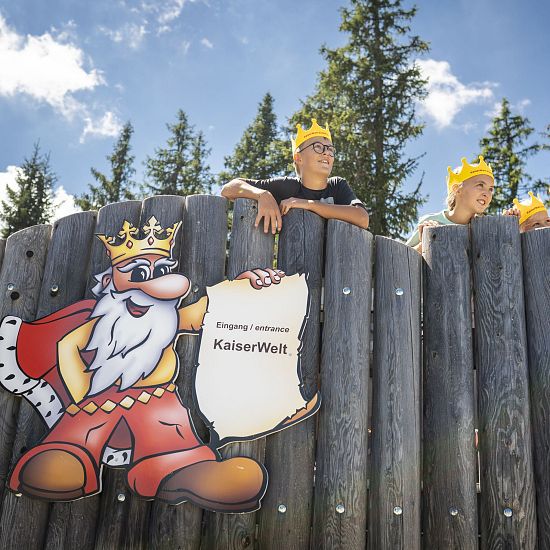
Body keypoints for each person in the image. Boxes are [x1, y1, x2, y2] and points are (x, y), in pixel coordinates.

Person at [0, 216, 316, 512]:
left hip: (158, 405)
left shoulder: (165, 316)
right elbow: (67, 348)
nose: (155, 284)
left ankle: (184, 473)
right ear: (112, 280)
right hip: (97, 404)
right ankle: (68, 458)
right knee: (77, 438)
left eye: (160, 271)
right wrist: (82, 395)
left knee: (173, 443)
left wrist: (242, 290)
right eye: (139, 273)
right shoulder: (101, 320)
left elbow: (205, 313)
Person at [221, 118, 370, 233]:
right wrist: (262, 195)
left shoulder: (337, 186)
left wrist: (308, 204)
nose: (326, 152)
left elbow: (362, 218)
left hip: (337, 266)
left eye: (330, 149)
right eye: (318, 147)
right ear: (298, 158)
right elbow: (229, 188)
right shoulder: (288, 186)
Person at [406, 156, 495, 253]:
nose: (487, 193)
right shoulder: (430, 222)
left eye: (490, 189)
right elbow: (404, 257)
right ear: (457, 189)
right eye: (480, 185)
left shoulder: (487, 228)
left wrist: (513, 221)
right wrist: (425, 242)